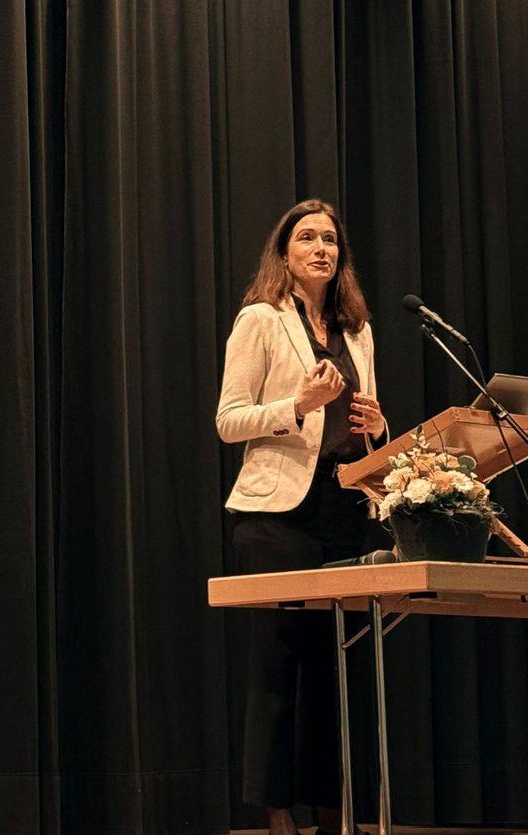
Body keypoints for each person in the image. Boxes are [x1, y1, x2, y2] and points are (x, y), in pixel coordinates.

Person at [217, 199, 387, 835]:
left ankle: (332, 807)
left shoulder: (358, 330)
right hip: (276, 516)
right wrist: (299, 403)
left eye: (331, 240)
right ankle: (276, 808)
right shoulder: (260, 320)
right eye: (308, 238)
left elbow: (365, 424)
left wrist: (379, 426)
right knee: (277, 666)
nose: (322, 248)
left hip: (345, 510)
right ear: (284, 255)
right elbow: (229, 420)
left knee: (337, 668)